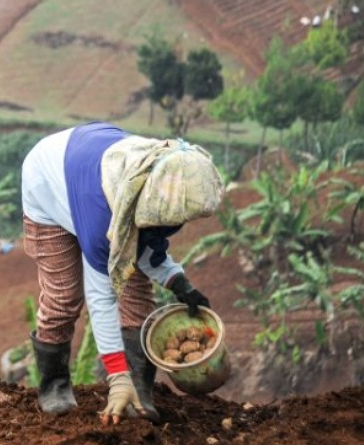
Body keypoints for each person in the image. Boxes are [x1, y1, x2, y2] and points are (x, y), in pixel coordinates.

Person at [20, 121, 223, 425]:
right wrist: (116, 375)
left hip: (89, 160)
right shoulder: (102, 215)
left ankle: (140, 390)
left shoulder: (160, 174)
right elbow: (102, 297)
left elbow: (144, 244)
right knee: (64, 296)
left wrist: (177, 281)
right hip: (48, 185)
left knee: (138, 294)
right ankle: (55, 385)